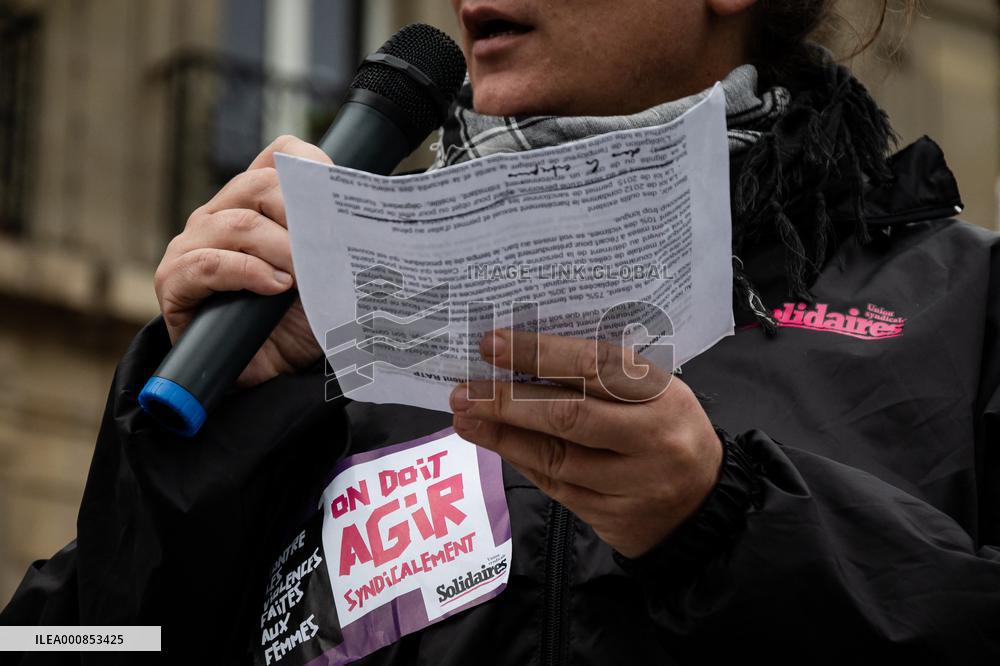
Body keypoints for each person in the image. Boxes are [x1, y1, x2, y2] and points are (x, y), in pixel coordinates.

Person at [3, 0, 1000, 663]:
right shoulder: (321, 329)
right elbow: (72, 646)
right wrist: (199, 449)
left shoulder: (965, 305)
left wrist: (728, 527)